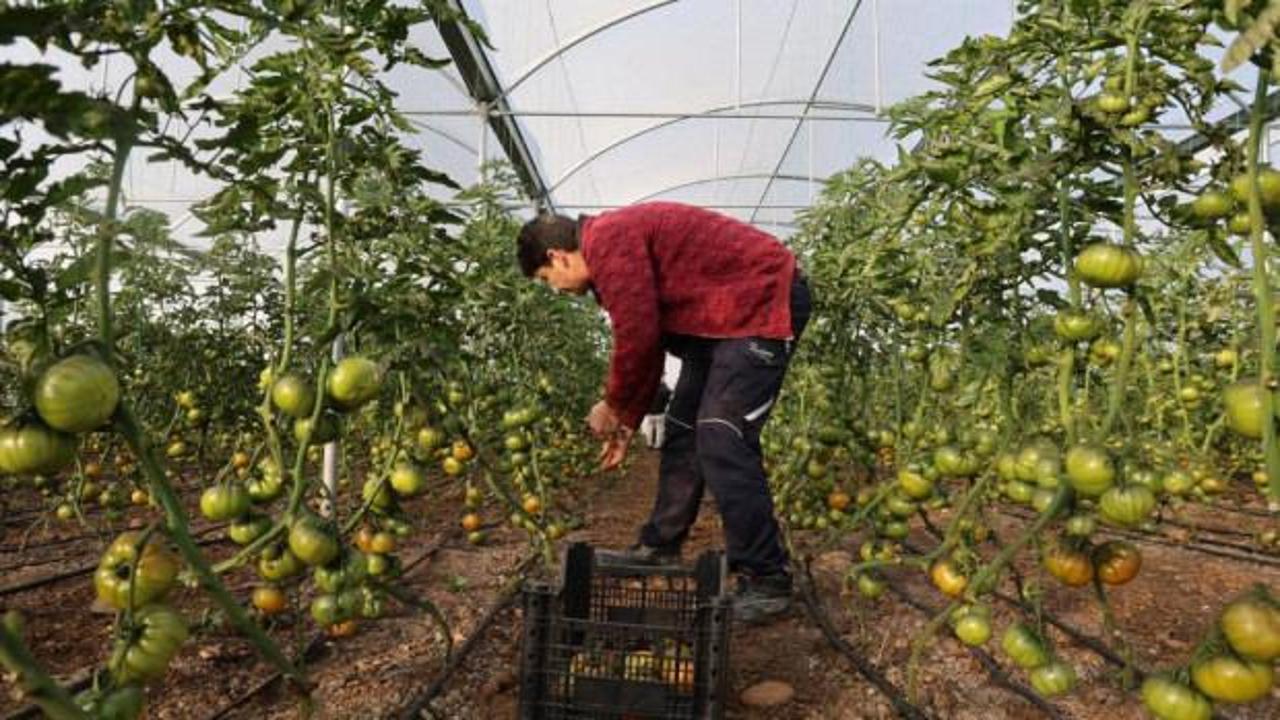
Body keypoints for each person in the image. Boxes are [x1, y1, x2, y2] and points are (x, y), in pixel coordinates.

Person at [516, 201, 811, 623]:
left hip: (761, 301)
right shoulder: (609, 248)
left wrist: (613, 403)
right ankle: (660, 545)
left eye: (547, 279)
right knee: (682, 429)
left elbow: (638, 334)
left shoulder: (607, 240)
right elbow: (648, 343)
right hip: (721, 324)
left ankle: (767, 577)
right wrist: (626, 420)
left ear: (557, 256)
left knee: (721, 433)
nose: (555, 289)